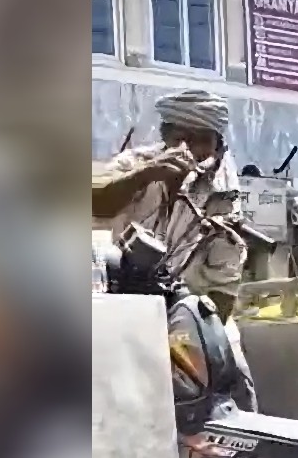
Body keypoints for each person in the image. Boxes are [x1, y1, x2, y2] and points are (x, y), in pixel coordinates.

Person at [92, 89, 256, 411]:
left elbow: (222, 290)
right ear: (165, 136)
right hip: (121, 307)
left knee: (233, 378)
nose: (189, 150)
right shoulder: (139, 164)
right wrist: (147, 174)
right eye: (180, 138)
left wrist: (189, 337)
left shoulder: (225, 195)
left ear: (218, 145)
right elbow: (94, 198)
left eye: (201, 140)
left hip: (187, 313)